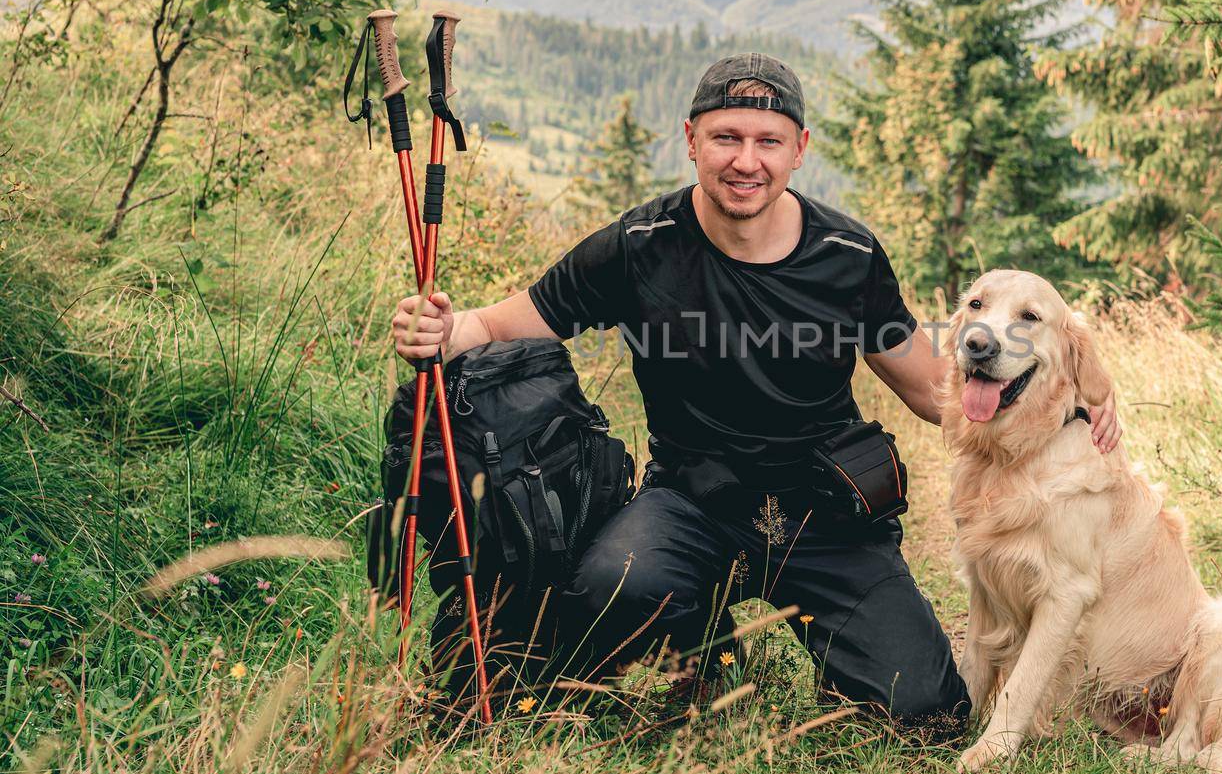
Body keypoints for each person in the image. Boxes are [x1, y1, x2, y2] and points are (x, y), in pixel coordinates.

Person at [392, 53, 1123, 729]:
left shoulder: (849, 256)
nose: (746, 161)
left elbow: (938, 384)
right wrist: (445, 329)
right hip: (689, 503)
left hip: (826, 516)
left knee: (926, 712)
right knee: (611, 589)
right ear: (692, 140)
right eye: (726, 138)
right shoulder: (641, 243)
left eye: (768, 142)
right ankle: (701, 641)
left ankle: (837, 647)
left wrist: (1075, 397)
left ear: (798, 150)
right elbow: (507, 322)